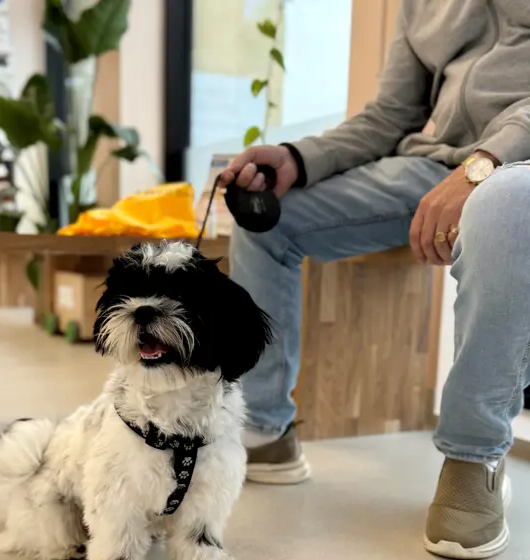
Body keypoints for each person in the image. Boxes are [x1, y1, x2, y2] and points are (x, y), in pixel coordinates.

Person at [219, 1, 530, 558]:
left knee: (503, 205)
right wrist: (298, 157)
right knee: (268, 218)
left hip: (518, 169)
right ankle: (264, 430)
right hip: (439, 165)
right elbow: (391, 114)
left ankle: (473, 457)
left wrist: (485, 163)